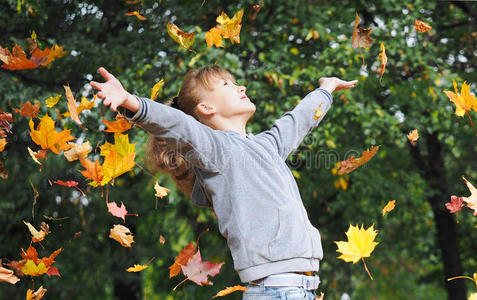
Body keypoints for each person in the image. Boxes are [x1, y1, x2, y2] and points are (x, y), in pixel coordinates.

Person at [90, 65, 357, 299]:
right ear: (206, 108)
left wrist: (326, 88)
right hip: (278, 289)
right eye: (227, 84)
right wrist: (129, 100)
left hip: (300, 288)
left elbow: (298, 120)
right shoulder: (216, 150)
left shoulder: (268, 145)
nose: (240, 86)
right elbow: (178, 125)